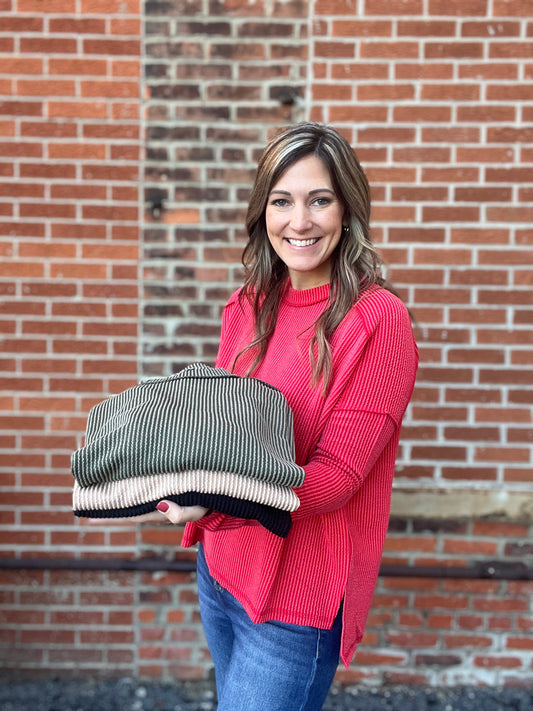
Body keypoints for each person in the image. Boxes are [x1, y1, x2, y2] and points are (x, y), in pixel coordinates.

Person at [110, 123, 418, 710]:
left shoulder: (377, 322)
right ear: (263, 212)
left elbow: (334, 480)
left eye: (319, 200)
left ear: (348, 208)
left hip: (295, 603)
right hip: (221, 570)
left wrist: (214, 500)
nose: (299, 221)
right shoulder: (249, 304)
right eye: (282, 201)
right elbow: (219, 431)